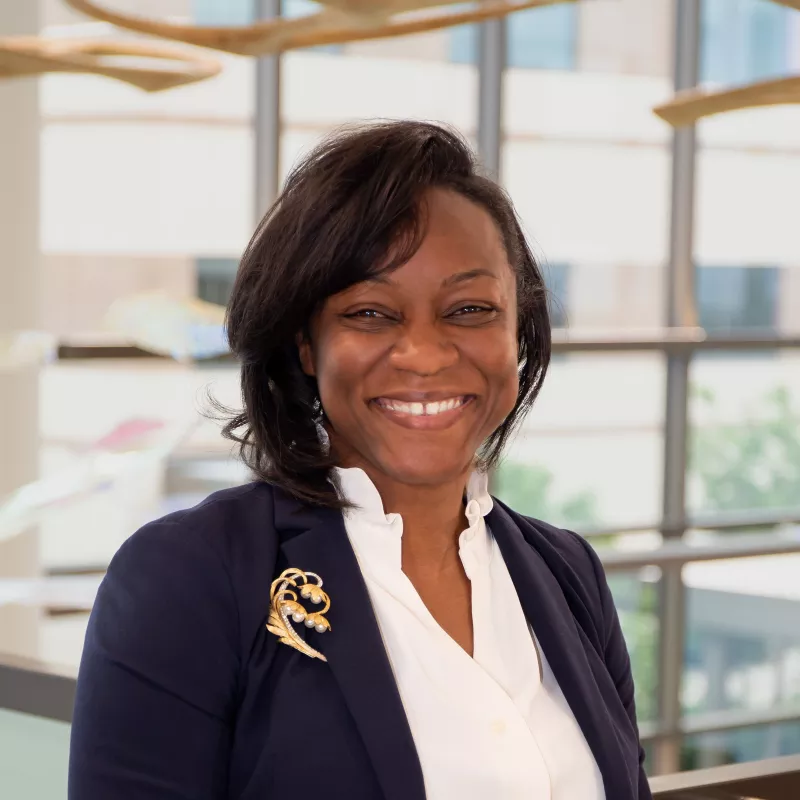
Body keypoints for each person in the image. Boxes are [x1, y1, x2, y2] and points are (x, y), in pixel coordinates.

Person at [69, 120, 651, 800]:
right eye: (372, 313)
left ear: (515, 333)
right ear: (307, 345)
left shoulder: (567, 574)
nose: (426, 355)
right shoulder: (192, 577)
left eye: (469, 308)